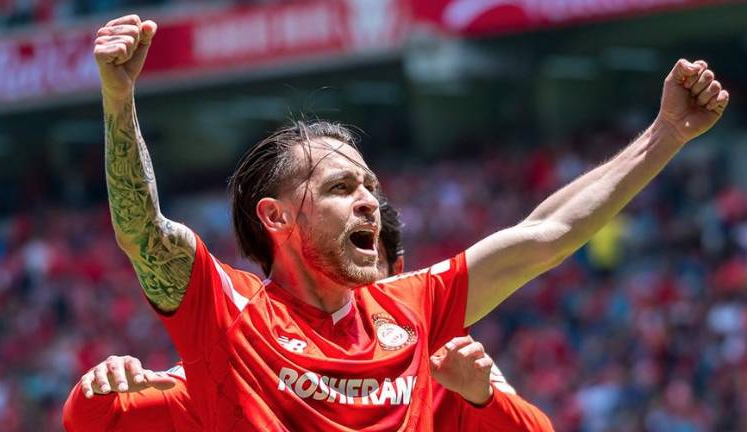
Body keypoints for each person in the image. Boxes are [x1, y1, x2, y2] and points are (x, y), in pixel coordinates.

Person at [91, 13, 728, 431]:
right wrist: (119, 99)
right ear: (276, 216)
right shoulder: (227, 313)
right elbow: (144, 231)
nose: (370, 200)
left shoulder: (413, 310)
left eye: (371, 185)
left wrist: (667, 133)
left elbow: (546, 235)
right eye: (341, 187)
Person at [63, 202, 554, 431]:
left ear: (399, 272)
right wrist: (97, 388)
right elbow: (95, 421)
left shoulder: (447, 367)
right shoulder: (250, 365)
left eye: (366, 266)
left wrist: (482, 396)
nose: (347, 288)